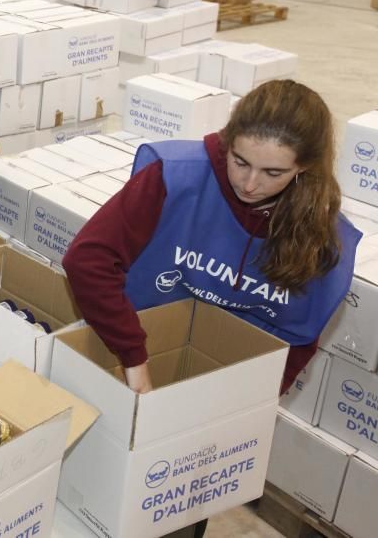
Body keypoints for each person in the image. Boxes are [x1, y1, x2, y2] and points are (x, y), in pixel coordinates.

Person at [63, 80, 360, 398]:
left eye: (273, 173)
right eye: (240, 162)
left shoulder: (322, 235)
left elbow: (298, 336)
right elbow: (86, 260)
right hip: (135, 347)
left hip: (222, 382)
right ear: (227, 141)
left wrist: (255, 404)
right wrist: (134, 357)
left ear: (304, 168)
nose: (249, 184)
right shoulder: (173, 176)